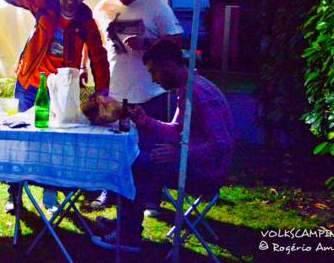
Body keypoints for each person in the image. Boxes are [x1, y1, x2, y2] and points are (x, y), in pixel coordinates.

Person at [93, 39, 234, 252]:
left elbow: (222, 145)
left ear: (168, 65)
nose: (153, 79)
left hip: (206, 172)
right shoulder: (187, 88)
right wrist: (146, 121)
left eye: (153, 72)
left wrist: (181, 153)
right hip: (194, 163)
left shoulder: (198, 93)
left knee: (133, 163)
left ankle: (128, 236)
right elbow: (178, 130)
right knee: (137, 152)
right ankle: (126, 224)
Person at [0, 0, 110, 213]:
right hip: (29, 83)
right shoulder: (45, 4)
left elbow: (99, 56)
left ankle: (51, 199)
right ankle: (14, 196)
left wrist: (102, 90)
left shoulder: (87, 21)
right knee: (20, 138)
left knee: (56, 142)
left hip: (61, 90)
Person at [90, 0, 183, 209]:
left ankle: (151, 200)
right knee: (112, 147)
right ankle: (109, 192)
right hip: (116, 92)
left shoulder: (156, 6)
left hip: (149, 93)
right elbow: (96, 43)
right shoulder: (103, 7)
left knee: (149, 150)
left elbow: (176, 41)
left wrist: (148, 42)